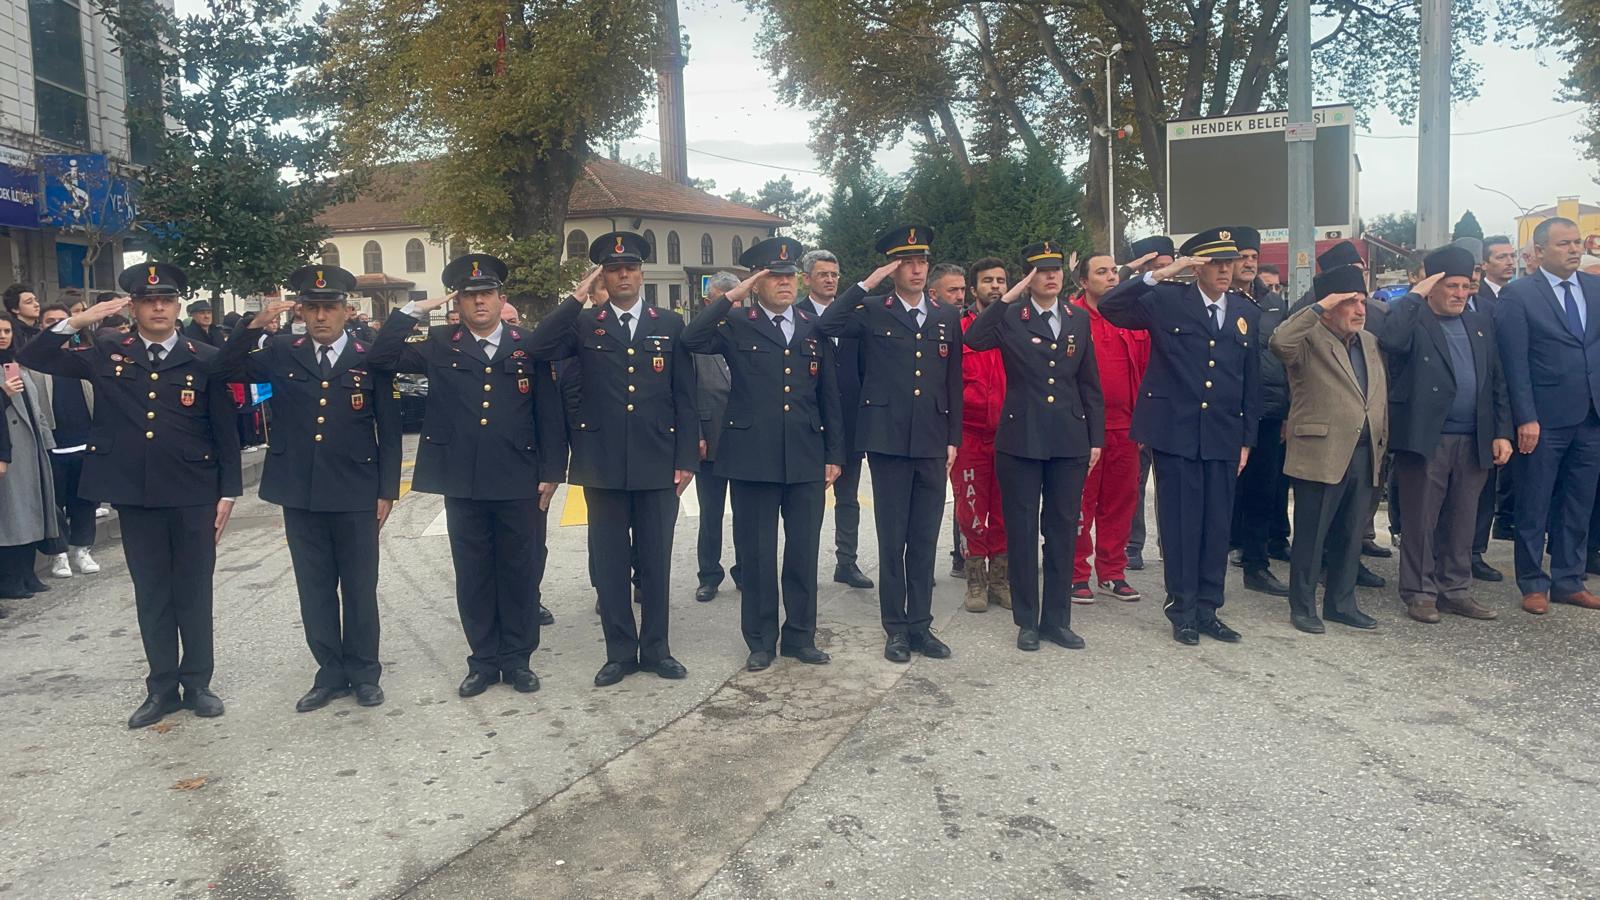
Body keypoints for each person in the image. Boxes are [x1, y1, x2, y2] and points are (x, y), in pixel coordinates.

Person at [19, 264, 243, 729]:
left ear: (178, 305)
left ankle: (198, 682)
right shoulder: (106, 351)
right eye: (147, 300)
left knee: (194, 589)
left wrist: (229, 492)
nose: (158, 307)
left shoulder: (202, 357)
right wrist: (79, 321)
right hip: (136, 494)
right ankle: (162, 686)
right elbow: (37, 356)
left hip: (194, 492)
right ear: (134, 307)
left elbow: (224, 429)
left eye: (166, 299)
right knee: (152, 592)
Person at [369, 253, 565, 697]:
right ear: (457, 303)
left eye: (486, 294)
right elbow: (381, 359)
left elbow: (548, 412)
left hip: (520, 476)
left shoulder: (528, 343)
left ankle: (517, 661)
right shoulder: (440, 342)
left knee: (520, 571)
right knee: (473, 574)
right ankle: (482, 661)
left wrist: (552, 471)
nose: (479, 302)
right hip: (462, 478)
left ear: (501, 298)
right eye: (469, 296)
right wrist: (414, 309)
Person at [217, 265, 402, 711]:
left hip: (357, 488)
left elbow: (389, 428)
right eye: (312, 308)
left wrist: (387, 490)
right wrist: (251, 326)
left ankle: (363, 671)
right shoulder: (282, 351)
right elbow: (223, 369)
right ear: (300, 311)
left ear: (346, 310)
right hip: (299, 489)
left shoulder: (368, 354)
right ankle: (330, 672)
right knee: (314, 586)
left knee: (359, 585)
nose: (321, 317)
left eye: (330, 308)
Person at [529, 232, 696, 687]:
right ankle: (619, 652)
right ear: (602, 275)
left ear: (642, 273)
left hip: (658, 461)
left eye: (631, 267)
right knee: (610, 562)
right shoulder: (583, 325)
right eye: (614, 268)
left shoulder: (670, 323)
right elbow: (538, 347)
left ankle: (658, 649)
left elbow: (685, 396)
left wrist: (686, 460)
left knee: (656, 560)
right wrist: (575, 297)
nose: (624, 274)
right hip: (601, 462)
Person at [684, 237, 842, 670]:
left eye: (790, 275)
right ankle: (760, 640)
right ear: (758, 283)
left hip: (806, 454)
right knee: (756, 554)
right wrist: (731, 296)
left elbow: (830, 395)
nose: (785, 282)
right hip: (752, 455)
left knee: (803, 551)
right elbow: (690, 339)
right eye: (775, 276)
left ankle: (800, 637)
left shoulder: (813, 325)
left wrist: (835, 452)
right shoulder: (737, 323)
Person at [1100, 228, 1260, 645]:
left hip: (1224, 433)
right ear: (1196, 266)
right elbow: (1112, 306)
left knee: (1216, 525)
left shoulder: (1246, 310)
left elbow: (1250, 380)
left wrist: (1247, 438)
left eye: (1230, 262)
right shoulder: (1168, 300)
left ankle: (1209, 608)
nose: (1226, 269)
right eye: (1215, 262)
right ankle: (1182, 608)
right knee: (1182, 522)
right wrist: (1162, 272)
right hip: (1176, 431)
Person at [815, 224, 962, 663]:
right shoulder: (871, 310)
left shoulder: (946, 315)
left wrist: (954, 437)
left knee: (924, 537)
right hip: (888, 440)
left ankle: (921, 624)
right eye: (907, 263)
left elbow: (952, 379)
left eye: (922, 262)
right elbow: (826, 324)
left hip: (934, 439)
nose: (917, 270)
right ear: (893, 268)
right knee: (892, 536)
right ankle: (895, 628)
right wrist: (868, 281)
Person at [965, 241, 1104, 651]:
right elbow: (974, 336)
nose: (1051, 275)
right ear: (1028, 276)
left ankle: (1057, 620)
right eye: (1041, 270)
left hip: (1068, 439)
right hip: (1021, 438)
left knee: (1062, 531)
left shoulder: (1078, 319)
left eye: (1056, 268)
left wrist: (1095, 438)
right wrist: (1009, 294)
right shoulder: (1010, 316)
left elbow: (1089, 383)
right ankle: (1027, 621)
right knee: (1022, 531)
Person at [1380, 247, 1512, 624]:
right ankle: (1420, 592)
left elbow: (1496, 383)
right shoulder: (1412, 320)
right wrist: (1415, 295)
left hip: (1474, 440)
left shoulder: (1479, 323)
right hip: (1426, 439)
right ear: (1432, 285)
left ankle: (1454, 589)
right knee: (1421, 520)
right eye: (1451, 286)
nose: (1460, 293)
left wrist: (1501, 433)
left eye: (1466, 286)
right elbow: (1390, 341)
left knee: (1462, 520)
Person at [1271, 265, 1389, 633]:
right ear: (1329, 304)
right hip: (1321, 452)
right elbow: (1278, 342)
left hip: (1365, 451)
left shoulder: (1368, 341)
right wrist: (1319, 308)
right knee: (1312, 535)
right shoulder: (1308, 339)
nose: (1359, 309)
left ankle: (1341, 603)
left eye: (1362, 301)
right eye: (1349, 302)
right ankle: (1303, 606)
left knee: (1351, 535)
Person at [1493, 217, 1600, 615]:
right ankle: (1533, 582)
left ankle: (1569, 580)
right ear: (1538, 252)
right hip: (1543, 420)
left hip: (1590, 416)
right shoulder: (1519, 295)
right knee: (1535, 503)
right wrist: (1525, 417)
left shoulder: (1594, 288)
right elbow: (1514, 364)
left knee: (1579, 502)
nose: (1574, 250)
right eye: (1563, 244)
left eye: (1576, 243)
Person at [1070, 251, 1145, 602]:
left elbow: (1147, 371)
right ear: (1084, 282)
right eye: (1102, 272)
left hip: (1126, 428)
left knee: (1121, 502)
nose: (1112, 277)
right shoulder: (1071, 318)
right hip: (1083, 430)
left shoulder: (1131, 318)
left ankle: (1112, 572)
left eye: (1114, 271)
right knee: (1079, 503)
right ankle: (1076, 572)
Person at [795, 249, 872, 590]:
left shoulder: (856, 315)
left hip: (851, 421)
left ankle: (847, 561)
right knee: (808, 501)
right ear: (807, 278)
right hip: (811, 422)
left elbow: (865, 367)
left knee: (849, 497)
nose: (830, 280)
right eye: (823, 274)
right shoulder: (796, 315)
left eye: (834, 274)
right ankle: (802, 564)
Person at [1225, 226, 1293, 598]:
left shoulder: (1273, 303)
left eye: (1253, 257)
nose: (1249, 263)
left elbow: (1284, 360)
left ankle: (1257, 564)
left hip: (1266, 411)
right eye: (1242, 257)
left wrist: (1286, 410)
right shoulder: (1214, 299)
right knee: (1221, 491)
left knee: (1263, 491)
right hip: (1223, 412)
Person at [952, 257, 1011, 612]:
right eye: (987, 281)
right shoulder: (959, 330)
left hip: (1010, 436)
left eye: (1001, 280)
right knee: (971, 508)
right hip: (970, 435)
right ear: (974, 290)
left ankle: (1000, 578)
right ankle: (975, 579)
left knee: (1006, 511)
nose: (995, 286)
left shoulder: (1019, 326)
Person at [29, 303, 100, 580]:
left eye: (63, 320)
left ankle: (82, 550)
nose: (57, 325)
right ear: (41, 326)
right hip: (53, 446)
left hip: (85, 443)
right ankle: (59, 554)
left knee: (85, 502)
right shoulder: (32, 365)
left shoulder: (83, 359)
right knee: (55, 503)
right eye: (50, 321)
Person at [1123, 234, 1175, 572]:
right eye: (1157, 269)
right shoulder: (1127, 308)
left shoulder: (1181, 303)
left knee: (1171, 486)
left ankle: (1170, 545)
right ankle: (1132, 545)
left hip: (1172, 410)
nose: (1165, 276)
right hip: (1134, 410)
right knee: (1134, 485)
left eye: (1170, 269)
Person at [0, 316, 59, 604]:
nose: (3, 335)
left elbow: (35, 407)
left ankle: (26, 572)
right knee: (12, 516)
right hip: (8, 450)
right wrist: (3, 394)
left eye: (7, 330)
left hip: (31, 445)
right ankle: (10, 578)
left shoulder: (16, 363)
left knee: (33, 510)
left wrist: (47, 444)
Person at [1470, 234, 1517, 580]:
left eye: (1511, 256)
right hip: (1473, 407)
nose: (1509, 262)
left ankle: (1475, 550)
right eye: (1501, 257)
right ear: (1484, 264)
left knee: (1489, 483)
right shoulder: (1476, 299)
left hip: (1507, 400)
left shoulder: (1513, 297)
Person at [692, 272, 742, 603]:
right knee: (711, 513)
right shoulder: (698, 339)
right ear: (711, 302)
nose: (735, 306)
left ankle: (745, 571)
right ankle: (709, 575)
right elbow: (686, 391)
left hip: (743, 440)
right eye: (729, 300)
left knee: (746, 512)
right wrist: (695, 433)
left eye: (739, 300)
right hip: (709, 438)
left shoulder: (748, 333)